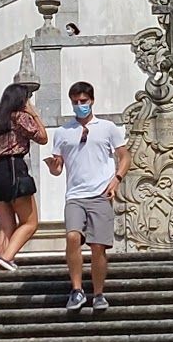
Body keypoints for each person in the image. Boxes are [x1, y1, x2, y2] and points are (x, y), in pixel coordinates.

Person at [46, 81, 130, 313]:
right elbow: (58, 168)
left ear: (91, 100)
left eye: (83, 101)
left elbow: (125, 157)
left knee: (98, 246)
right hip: (75, 195)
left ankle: (98, 293)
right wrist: (53, 167)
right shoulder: (63, 132)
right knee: (72, 236)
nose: (79, 105)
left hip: (100, 194)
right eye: (75, 102)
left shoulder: (107, 128)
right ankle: (77, 289)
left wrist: (116, 180)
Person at [0, 82, 48, 270]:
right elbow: (42, 137)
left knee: (6, 226)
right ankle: (7, 257)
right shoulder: (20, 117)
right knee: (30, 222)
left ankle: (2, 260)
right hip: (14, 169)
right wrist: (34, 113)